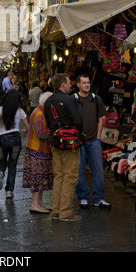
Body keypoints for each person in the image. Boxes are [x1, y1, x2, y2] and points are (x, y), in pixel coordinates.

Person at [44, 73, 83, 221]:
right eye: (68, 83)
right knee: (70, 176)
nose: (70, 85)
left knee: (59, 176)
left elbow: (48, 122)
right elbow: (77, 120)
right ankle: (65, 212)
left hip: (55, 141)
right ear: (63, 85)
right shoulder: (67, 99)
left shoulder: (48, 101)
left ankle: (56, 210)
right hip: (69, 143)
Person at [73, 74, 111, 210]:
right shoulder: (74, 99)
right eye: (84, 83)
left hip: (94, 140)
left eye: (88, 83)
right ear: (78, 84)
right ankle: (83, 196)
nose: (87, 85)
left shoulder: (96, 99)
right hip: (80, 141)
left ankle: (98, 198)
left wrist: (98, 137)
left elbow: (101, 118)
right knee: (79, 170)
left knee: (98, 170)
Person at [0, 89, 29, 198]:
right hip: (15, 140)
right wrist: (25, 131)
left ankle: (0, 172)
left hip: (1, 139)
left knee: (1, 162)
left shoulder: (1, 109)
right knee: (12, 166)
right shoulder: (20, 111)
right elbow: (27, 127)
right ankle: (9, 191)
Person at [22, 92, 54, 213]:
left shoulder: (38, 111)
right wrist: (54, 130)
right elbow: (41, 133)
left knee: (39, 178)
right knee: (38, 178)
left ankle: (39, 203)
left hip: (37, 149)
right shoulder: (40, 114)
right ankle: (35, 204)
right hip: (38, 150)